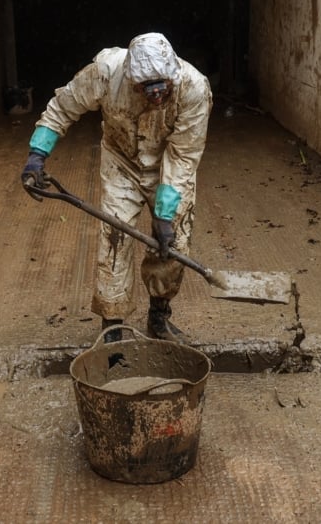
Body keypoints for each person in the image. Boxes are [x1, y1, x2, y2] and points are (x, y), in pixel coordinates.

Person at [20, 32, 212, 344]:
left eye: (162, 85)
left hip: (168, 163)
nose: (156, 95)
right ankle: (112, 325)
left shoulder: (193, 87)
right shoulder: (106, 72)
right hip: (121, 161)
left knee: (172, 242)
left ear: (172, 74)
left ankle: (159, 316)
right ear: (131, 79)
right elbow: (63, 107)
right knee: (114, 239)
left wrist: (164, 216)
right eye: (146, 89)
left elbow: (183, 154)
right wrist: (37, 155)